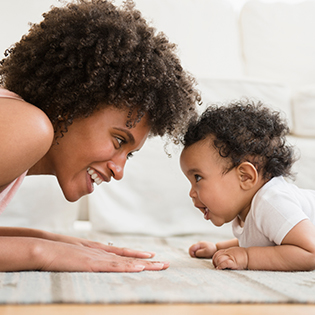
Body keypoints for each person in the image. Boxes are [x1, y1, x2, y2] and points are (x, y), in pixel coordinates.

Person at [0, 0, 200, 272]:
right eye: (119, 140)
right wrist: (42, 252)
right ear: (69, 103)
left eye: (129, 155)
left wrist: (49, 240)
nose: (119, 171)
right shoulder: (28, 127)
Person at [180, 100, 315, 271]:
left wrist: (247, 257)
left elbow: (310, 251)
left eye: (198, 178)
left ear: (245, 177)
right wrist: (219, 248)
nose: (192, 193)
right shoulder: (249, 209)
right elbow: (264, 239)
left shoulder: (272, 202)